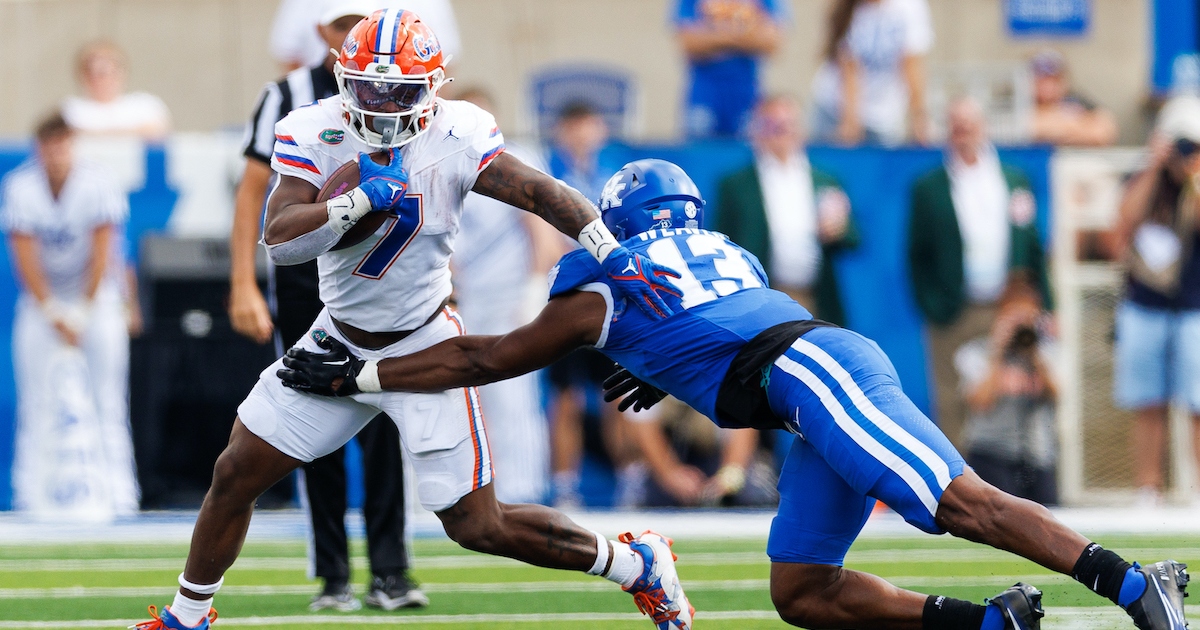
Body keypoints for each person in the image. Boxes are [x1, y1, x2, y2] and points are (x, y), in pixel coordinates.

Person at [281, 158, 1191, 630]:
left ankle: (1128, 579)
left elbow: (487, 357)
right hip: (807, 379)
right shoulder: (724, 254)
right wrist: (650, 358)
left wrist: (362, 375)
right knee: (801, 590)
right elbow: (704, 318)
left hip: (812, 375)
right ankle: (990, 623)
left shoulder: (601, 277)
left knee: (959, 502)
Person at [132, 10, 689, 630]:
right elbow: (281, 239)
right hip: (337, 334)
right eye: (368, 85)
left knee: (479, 526)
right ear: (343, 78)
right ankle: (188, 616)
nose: (381, 101)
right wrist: (352, 204)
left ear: (433, 87)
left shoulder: (458, 132)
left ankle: (635, 564)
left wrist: (609, 251)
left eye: (397, 88)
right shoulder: (313, 129)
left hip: (424, 339)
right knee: (235, 470)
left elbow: (539, 192)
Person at [230, 1, 423, 611]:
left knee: (389, 415)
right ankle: (334, 574)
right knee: (313, 423)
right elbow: (255, 193)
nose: (357, 36)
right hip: (306, 280)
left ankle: (391, 570)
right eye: (345, 24)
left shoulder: (407, 92)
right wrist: (242, 282)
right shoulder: (288, 95)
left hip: (383, 279)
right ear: (323, 32)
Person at [2, 112, 138, 518]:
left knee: (108, 400)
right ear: (39, 148)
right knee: (34, 401)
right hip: (43, 302)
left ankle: (121, 497)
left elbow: (104, 251)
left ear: (72, 145)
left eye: (63, 143)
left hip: (94, 299)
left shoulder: (97, 183)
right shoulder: (20, 186)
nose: (56, 153)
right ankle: (28, 496)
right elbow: (23, 255)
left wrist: (84, 308)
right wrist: (50, 309)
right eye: (49, 145)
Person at [908, 98, 1052, 448]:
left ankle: (1012, 480)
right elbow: (917, 254)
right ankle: (955, 485)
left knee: (1013, 387)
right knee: (951, 397)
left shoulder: (1013, 179)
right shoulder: (930, 187)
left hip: (1008, 304)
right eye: (956, 127)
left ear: (984, 127)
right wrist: (932, 304)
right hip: (954, 307)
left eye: (969, 125)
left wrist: (1047, 304)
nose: (963, 134)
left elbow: (1033, 246)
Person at [451, 86, 566, 504]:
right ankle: (464, 489)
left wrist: (535, 293)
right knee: (456, 398)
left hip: (509, 298)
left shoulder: (515, 159)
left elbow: (545, 236)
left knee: (511, 396)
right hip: (461, 300)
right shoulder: (445, 164)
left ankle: (521, 490)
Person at [1110, 94, 1200, 507]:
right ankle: (1149, 487)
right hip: (1145, 304)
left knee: (1197, 405)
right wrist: (1153, 164)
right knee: (1148, 401)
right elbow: (1124, 223)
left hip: (1193, 305)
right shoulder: (1146, 177)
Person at [716, 95, 858, 325]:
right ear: (756, 131)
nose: (780, 133)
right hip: (763, 300)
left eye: (787, 125)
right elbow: (722, 244)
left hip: (815, 297)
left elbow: (853, 237)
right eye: (773, 126)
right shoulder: (736, 185)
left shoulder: (825, 179)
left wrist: (839, 230)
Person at [955, 275, 1058, 506]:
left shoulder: (1046, 354)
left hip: (1035, 455)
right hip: (990, 453)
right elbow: (980, 401)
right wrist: (998, 352)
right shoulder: (977, 352)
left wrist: (1034, 353)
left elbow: (1056, 395)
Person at [809, 0, 933, 146]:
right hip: (834, 108)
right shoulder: (851, 8)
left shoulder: (910, 7)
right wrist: (850, 122)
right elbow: (850, 70)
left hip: (883, 116)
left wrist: (919, 118)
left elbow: (911, 66)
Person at [673, 0, 786, 138]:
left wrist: (714, 34)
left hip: (748, 94)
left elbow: (771, 42)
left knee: (747, 152)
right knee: (699, 150)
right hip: (704, 93)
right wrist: (744, 33)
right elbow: (690, 44)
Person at [270, 0, 462, 71]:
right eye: (341, 26)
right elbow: (289, 52)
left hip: (404, 105)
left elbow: (443, 62)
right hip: (322, 100)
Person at [62, 41, 170, 140]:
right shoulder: (70, 108)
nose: (100, 80)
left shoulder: (144, 105)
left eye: (105, 72)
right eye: (92, 72)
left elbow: (157, 133)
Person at [1029, 49, 1118, 147]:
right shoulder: (1019, 102)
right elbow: (1023, 131)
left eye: (1054, 80)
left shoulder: (1075, 100)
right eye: (1041, 80)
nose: (1047, 87)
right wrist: (1074, 124)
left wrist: (1056, 129)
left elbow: (1102, 133)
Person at [546, 102, 621, 203]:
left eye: (589, 127)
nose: (582, 135)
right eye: (574, 128)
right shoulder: (546, 169)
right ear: (559, 131)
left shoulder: (612, 169)